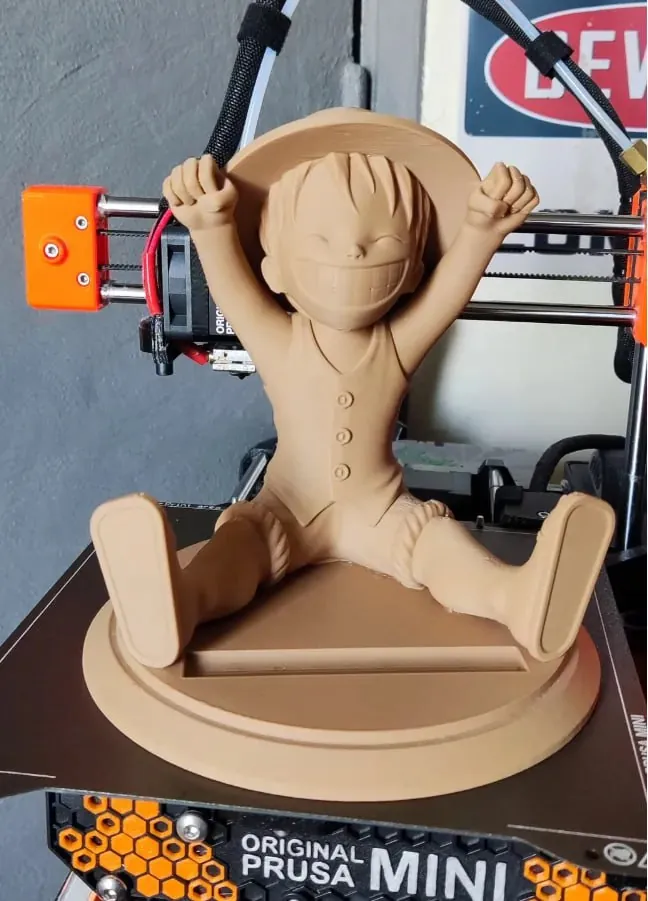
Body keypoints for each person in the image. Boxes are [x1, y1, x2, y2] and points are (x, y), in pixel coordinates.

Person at [90, 109, 614, 669]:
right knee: (238, 551)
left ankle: (517, 600)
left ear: (413, 272)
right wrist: (211, 225)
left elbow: (448, 295)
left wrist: (483, 229)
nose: (353, 253)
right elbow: (233, 291)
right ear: (273, 269)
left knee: (437, 547)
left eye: (382, 239)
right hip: (285, 507)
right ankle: (180, 603)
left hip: (380, 511)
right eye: (321, 238)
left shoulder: (396, 344)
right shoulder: (279, 339)